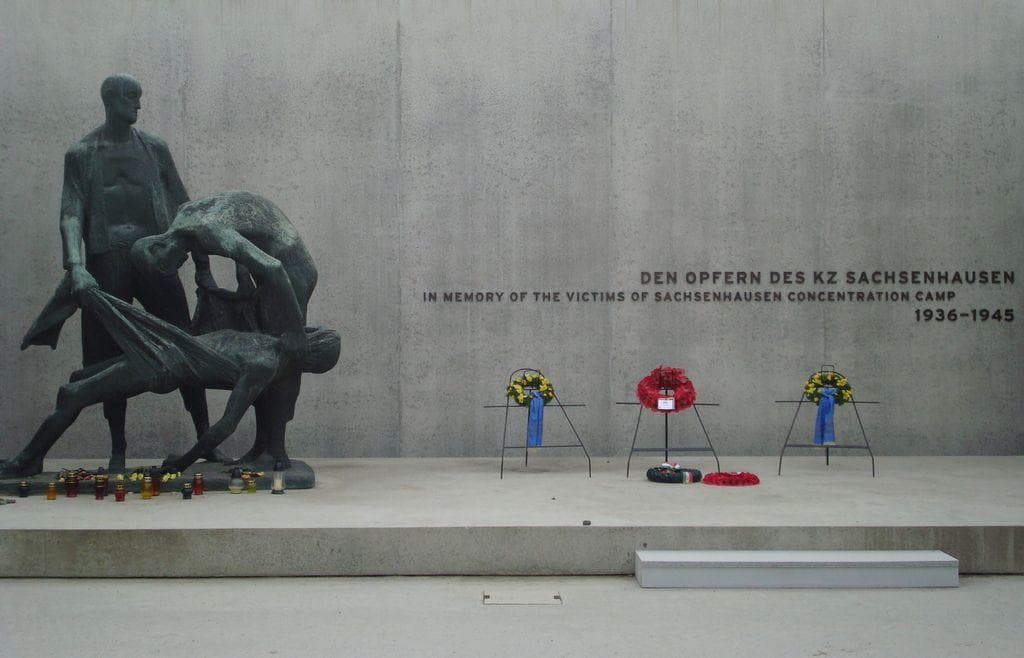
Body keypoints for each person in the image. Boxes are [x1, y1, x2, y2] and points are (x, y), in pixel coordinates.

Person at [23, 74, 221, 469]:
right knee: (107, 356)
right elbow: (71, 213)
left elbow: (185, 206)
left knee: (185, 343)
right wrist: (76, 266)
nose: (138, 104)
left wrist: (203, 266)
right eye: (132, 97)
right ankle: (118, 450)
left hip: (153, 254)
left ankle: (207, 440)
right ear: (110, 99)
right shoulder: (81, 153)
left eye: (139, 97)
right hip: (106, 258)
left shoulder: (155, 149)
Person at [1, 290, 339, 477]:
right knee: (78, 379)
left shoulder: (264, 365)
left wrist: (186, 461)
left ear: (307, 353)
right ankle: (30, 457)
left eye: (309, 335)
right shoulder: (266, 341)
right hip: (167, 345)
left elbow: (225, 425)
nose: (301, 330)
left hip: (162, 365)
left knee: (71, 394)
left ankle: (29, 460)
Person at [131, 190, 318, 464]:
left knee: (278, 358)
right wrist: (231, 277)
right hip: (271, 274)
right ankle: (262, 446)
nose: (174, 268)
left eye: (164, 266)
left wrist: (294, 329)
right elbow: (242, 235)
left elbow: (273, 266)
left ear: (159, 246)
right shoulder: (184, 218)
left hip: (290, 273)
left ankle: (276, 450)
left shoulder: (207, 230)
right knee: (260, 354)